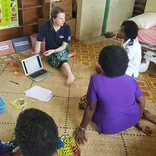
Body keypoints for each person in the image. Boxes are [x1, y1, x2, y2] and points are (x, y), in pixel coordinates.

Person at [75, 46, 156, 144]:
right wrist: (137, 120)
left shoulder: (95, 79)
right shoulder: (130, 79)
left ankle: (86, 106)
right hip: (133, 119)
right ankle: (144, 115)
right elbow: (141, 100)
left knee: (89, 103)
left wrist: (82, 128)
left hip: (109, 127)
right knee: (123, 99)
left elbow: (91, 108)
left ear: (101, 65)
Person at [35, 7, 75, 86]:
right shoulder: (45, 26)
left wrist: (53, 51)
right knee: (54, 64)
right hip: (50, 50)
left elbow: (64, 46)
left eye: (64, 18)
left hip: (63, 48)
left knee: (60, 56)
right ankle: (67, 56)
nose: (63, 20)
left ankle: (70, 75)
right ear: (53, 19)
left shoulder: (66, 28)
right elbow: (38, 43)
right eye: (60, 18)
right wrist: (35, 57)